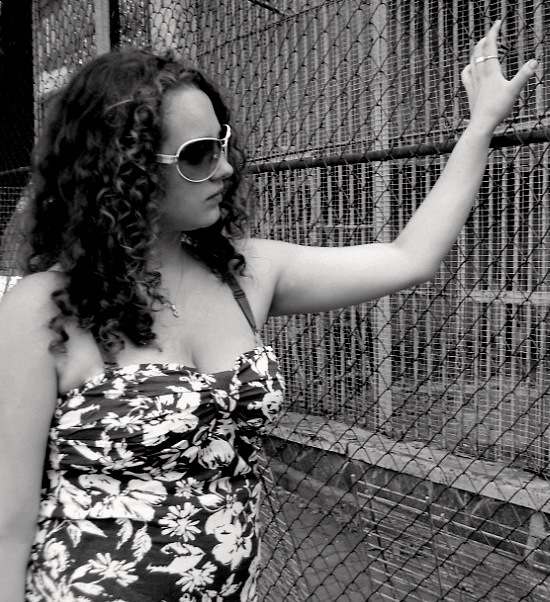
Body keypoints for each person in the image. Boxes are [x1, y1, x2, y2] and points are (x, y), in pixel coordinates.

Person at [0, 20, 536, 602]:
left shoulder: (243, 273)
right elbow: (8, 521)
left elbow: (410, 257)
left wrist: (480, 124)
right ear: (122, 169)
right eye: (198, 155)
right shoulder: (45, 308)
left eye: (222, 143)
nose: (225, 168)